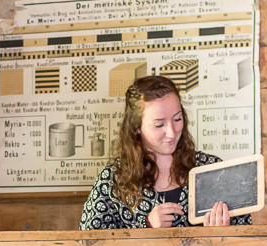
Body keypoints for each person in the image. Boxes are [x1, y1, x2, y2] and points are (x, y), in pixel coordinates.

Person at [80, 75, 254, 230]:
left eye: (177, 119)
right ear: (136, 127)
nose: (171, 132)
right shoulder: (114, 178)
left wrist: (227, 233)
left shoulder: (212, 169)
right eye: (159, 124)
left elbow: (249, 237)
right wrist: (146, 228)